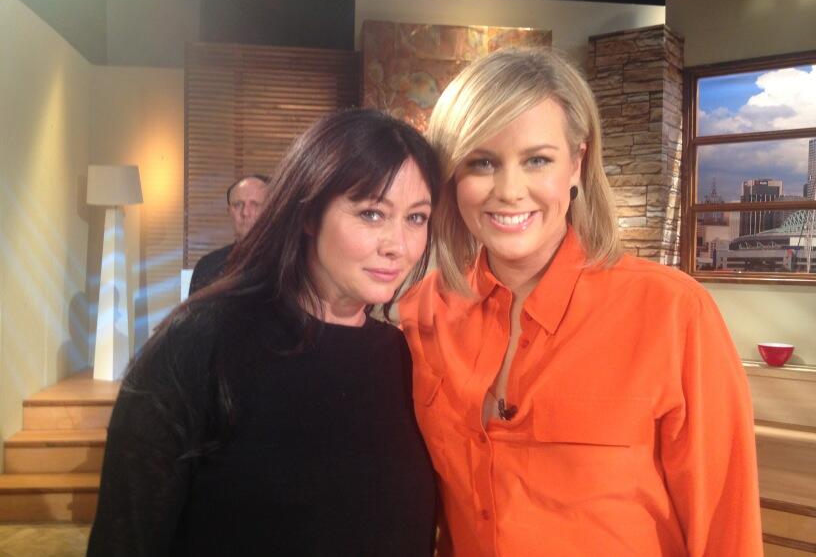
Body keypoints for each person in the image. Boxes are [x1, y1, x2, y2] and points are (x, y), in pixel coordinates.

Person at [399, 48, 763, 556]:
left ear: (577, 164)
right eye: (482, 162)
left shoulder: (674, 313)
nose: (509, 190)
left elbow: (727, 529)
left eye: (537, 160)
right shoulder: (422, 312)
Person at [88, 109, 440, 556]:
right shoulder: (201, 343)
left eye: (416, 218)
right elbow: (126, 538)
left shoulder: (402, 356)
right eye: (372, 213)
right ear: (308, 213)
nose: (399, 246)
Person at [188, 174, 269, 294]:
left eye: (255, 205)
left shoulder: (288, 264)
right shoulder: (207, 267)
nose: (245, 212)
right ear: (229, 212)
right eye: (238, 205)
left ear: (270, 210)